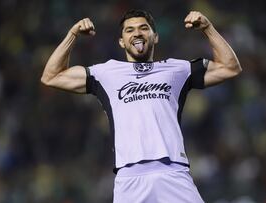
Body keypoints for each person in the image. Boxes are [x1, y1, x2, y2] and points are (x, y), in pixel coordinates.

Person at [41, 9, 241, 203]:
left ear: (155, 37)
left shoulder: (177, 69)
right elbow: (51, 76)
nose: (137, 33)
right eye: (129, 30)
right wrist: (72, 34)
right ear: (121, 42)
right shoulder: (106, 73)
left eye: (144, 28)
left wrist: (208, 28)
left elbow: (230, 67)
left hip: (173, 172)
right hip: (129, 178)